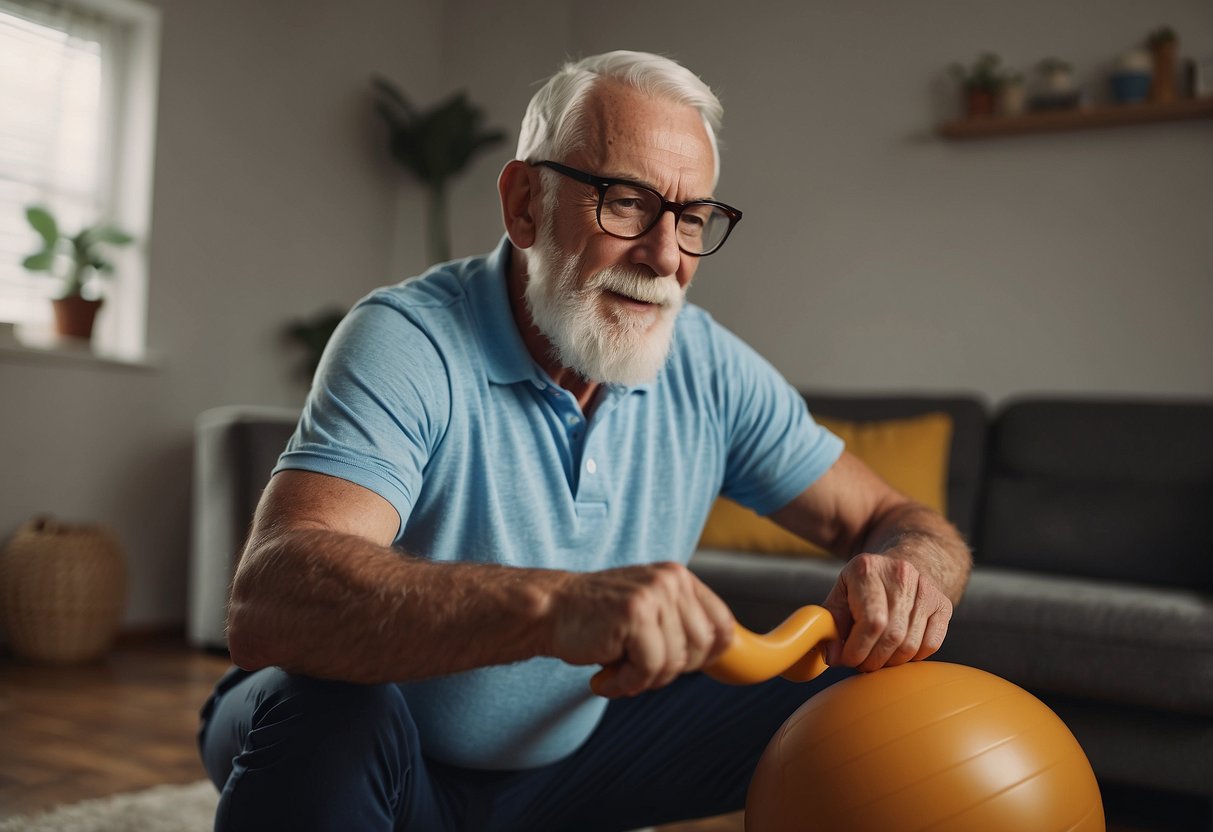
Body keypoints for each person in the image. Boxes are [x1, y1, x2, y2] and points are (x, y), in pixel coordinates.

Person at [198, 50, 971, 831]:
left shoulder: (706, 365)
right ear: (524, 202)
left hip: (573, 760)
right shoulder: (409, 337)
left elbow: (899, 519)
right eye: (626, 203)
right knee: (330, 716)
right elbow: (271, 598)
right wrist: (554, 607)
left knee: (874, 696)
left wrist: (910, 576)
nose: (665, 256)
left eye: (691, 217)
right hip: (384, 756)